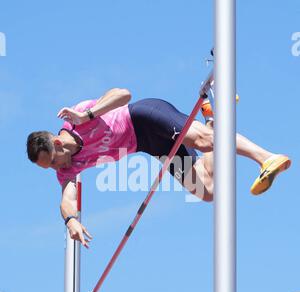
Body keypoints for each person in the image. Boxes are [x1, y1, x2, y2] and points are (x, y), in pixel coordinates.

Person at [26, 88, 291, 248]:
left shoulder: (78, 117)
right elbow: (67, 199)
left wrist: (89, 115)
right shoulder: (68, 169)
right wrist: (70, 220)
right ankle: (213, 115)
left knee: (204, 141)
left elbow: (124, 94)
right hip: (148, 145)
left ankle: (266, 158)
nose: (55, 170)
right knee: (207, 189)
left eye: (52, 163)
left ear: (58, 144)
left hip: (144, 117)